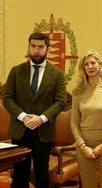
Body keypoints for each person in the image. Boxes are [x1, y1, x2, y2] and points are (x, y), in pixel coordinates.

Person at [2, 32, 67, 188]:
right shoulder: (16, 71)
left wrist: (41, 119)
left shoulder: (57, 74)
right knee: (19, 176)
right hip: (20, 130)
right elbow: (7, 98)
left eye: (40, 47)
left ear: (47, 49)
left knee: (41, 175)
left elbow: (60, 101)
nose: (36, 50)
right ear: (29, 47)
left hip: (43, 132)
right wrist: (23, 116)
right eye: (33, 46)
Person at [71, 49, 102, 188]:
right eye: (86, 64)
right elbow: (74, 123)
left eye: (93, 63)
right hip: (84, 145)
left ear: (100, 65)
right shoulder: (78, 92)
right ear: (83, 68)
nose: (90, 67)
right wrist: (82, 145)